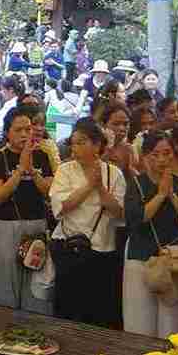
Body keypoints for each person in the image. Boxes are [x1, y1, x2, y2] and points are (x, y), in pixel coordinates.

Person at [49, 120, 125, 327]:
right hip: (70, 246)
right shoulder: (65, 170)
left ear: (97, 144)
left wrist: (100, 187)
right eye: (73, 144)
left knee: (98, 310)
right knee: (67, 308)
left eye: (82, 143)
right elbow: (61, 207)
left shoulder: (114, 173)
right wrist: (89, 186)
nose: (76, 149)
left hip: (102, 248)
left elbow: (119, 213)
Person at [0, 108, 53, 314]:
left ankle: (35, 331)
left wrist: (31, 169)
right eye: (18, 130)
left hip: (37, 226)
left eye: (28, 129)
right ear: (7, 132)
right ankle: (3, 328)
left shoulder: (42, 156)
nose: (25, 134)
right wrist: (19, 171)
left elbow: (49, 191)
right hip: (6, 227)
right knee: (6, 282)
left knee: (36, 284)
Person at [117, 130, 178, 338]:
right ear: (145, 157)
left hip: (173, 259)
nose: (162, 159)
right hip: (141, 255)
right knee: (140, 320)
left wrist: (171, 194)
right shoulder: (136, 184)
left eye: (167, 153)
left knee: (171, 322)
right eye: (156, 154)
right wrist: (161, 194)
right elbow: (137, 218)